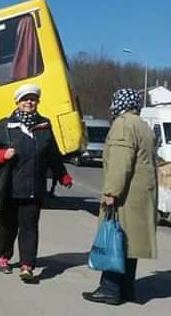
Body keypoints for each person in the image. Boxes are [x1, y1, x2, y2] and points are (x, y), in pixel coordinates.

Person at [0, 83, 73, 282]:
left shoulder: (44, 126)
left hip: (33, 186)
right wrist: (1, 154)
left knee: (29, 227)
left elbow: (53, 154)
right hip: (9, 186)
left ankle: (27, 265)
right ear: (17, 102)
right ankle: (3, 257)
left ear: (37, 102)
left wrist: (62, 175)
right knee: (6, 225)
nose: (29, 102)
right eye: (25, 99)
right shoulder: (5, 125)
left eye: (32, 99)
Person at [82, 88, 157, 305]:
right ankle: (126, 290)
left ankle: (110, 289)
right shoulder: (142, 125)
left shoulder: (123, 124)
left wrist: (111, 193)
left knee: (114, 240)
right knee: (128, 244)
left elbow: (120, 163)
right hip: (140, 196)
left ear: (118, 103)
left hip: (126, 196)